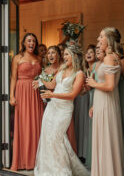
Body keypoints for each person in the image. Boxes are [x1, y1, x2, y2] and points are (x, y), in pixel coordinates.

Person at [34, 44, 90, 176]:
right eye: (64, 54)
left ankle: (61, 170)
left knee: (57, 137)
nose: (64, 57)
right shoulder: (62, 69)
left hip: (64, 109)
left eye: (66, 54)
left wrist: (52, 95)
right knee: (48, 137)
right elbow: (52, 85)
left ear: (74, 56)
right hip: (52, 107)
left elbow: (72, 95)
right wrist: (40, 81)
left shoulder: (79, 74)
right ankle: (48, 169)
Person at [86, 27, 124, 176]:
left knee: (105, 140)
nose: (98, 39)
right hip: (103, 102)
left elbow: (110, 86)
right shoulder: (114, 57)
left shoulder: (109, 58)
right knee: (107, 139)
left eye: (100, 37)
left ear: (108, 40)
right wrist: (94, 104)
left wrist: (93, 83)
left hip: (106, 102)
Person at [33, 45, 77, 153]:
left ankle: (67, 154)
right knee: (51, 129)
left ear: (58, 55)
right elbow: (48, 85)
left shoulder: (65, 67)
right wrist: (39, 83)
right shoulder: (46, 70)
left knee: (63, 130)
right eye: (48, 53)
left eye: (53, 53)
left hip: (63, 100)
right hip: (51, 101)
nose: (50, 55)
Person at [9, 33, 44, 171]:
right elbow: (13, 78)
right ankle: (22, 161)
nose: (32, 43)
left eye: (34, 41)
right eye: (29, 40)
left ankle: (35, 161)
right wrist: (11, 96)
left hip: (36, 94)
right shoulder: (17, 58)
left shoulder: (39, 58)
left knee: (36, 124)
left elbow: (44, 77)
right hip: (22, 91)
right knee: (23, 124)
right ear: (24, 43)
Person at [73, 44, 96, 164]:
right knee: (83, 124)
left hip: (94, 98)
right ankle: (83, 152)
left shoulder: (97, 69)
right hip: (83, 98)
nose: (88, 54)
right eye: (87, 52)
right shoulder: (84, 70)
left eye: (91, 52)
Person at [85, 43, 105, 168]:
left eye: (93, 52)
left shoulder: (100, 66)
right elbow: (89, 87)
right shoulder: (90, 69)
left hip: (99, 96)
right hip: (93, 96)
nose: (89, 54)